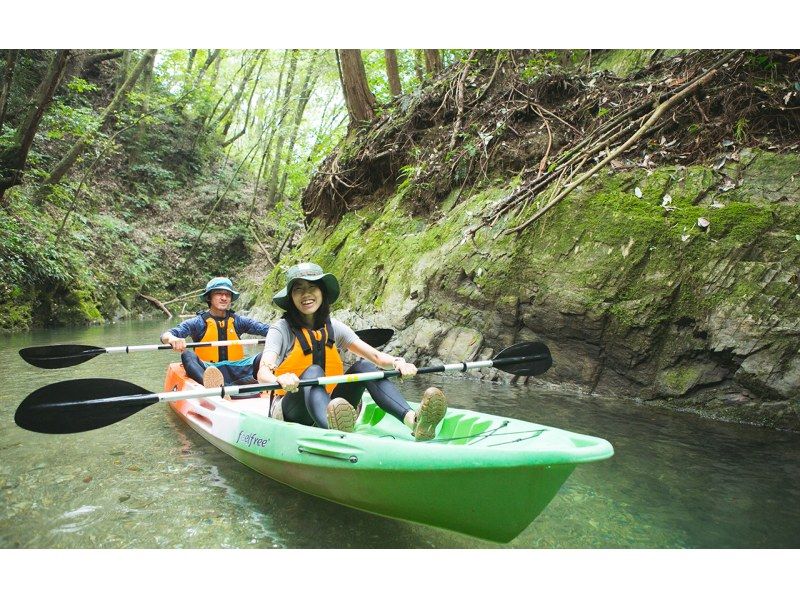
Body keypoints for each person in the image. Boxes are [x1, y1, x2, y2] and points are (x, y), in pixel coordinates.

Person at [256, 262, 447, 440]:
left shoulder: (335, 328)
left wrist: (398, 363)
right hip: (292, 409)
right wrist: (279, 379)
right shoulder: (280, 329)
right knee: (313, 372)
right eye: (298, 289)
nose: (306, 294)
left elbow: (376, 357)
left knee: (364, 366)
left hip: (335, 408)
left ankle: (414, 421)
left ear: (322, 292)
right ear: (291, 297)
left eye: (312, 287)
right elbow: (263, 372)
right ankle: (335, 433)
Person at [161, 277, 270, 388]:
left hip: (238, 368)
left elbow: (269, 330)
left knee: (267, 355)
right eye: (219, 293)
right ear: (209, 297)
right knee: (187, 355)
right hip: (208, 369)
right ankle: (212, 386)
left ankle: (262, 381)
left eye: (227, 294)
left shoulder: (239, 321)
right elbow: (166, 335)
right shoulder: (198, 322)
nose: (224, 298)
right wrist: (173, 339)